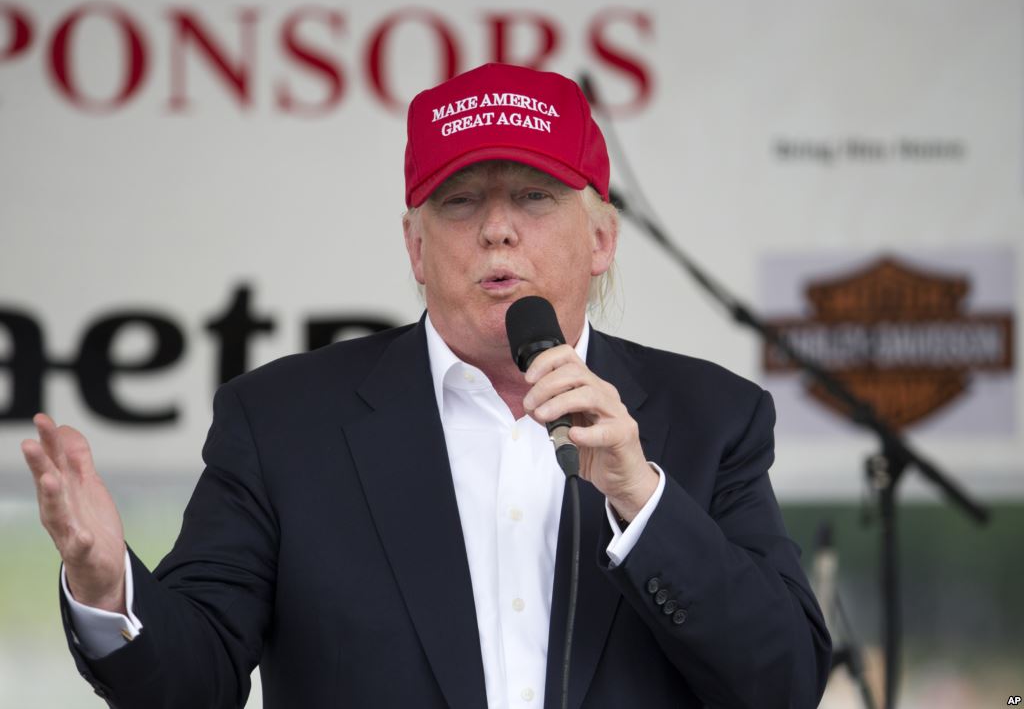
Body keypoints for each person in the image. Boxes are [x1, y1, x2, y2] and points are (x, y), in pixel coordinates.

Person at [21, 63, 831, 708]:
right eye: (462, 201)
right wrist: (106, 587)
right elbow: (194, 684)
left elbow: (783, 681)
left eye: (535, 196)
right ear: (415, 250)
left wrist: (643, 501)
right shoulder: (282, 424)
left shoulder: (710, 418)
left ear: (601, 240)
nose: (496, 227)